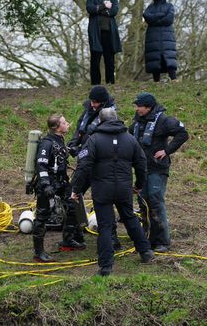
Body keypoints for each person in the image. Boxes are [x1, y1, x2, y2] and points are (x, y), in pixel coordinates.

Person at [71, 108, 155, 276]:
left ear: (100, 121)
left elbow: (83, 166)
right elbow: (141, 163)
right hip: (124, 188)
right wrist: (139, 184)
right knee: (130, 218)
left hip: (102, 189)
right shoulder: (130, 139)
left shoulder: (94, 139)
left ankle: (106, 266)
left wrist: (76, 189)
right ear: (116, 118)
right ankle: (146, 252)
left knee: (105, 226)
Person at [129, 92, 189, 252]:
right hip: (142, 169)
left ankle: (162, 241)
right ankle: (147, 238)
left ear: (148, 107)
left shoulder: (163, 120)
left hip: (157, 168)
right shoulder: (136, 122)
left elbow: (183, 134)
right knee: (143, 202)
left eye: (139, 106)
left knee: (155, 201)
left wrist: (167, 150)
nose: (136, 109)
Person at [67, 85, 122, 250]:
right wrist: (73, 144)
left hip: (101, 164)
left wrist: (84, 148)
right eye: (91, 101)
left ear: (103, 102)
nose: (93, 105)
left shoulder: (110, 115)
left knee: (104, 201)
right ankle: (75, 233)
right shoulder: (88, 111)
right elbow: (79, 130)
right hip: (85, 161)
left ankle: (113, 237)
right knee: (73, 195)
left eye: (96, 102)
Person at [32, 114, 86, 262]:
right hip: (48, 185)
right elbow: (41, 165)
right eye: (64, 122)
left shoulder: (60, 140)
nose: (68, 124)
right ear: (57, 127)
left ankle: (68, 241)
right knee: (42, 216)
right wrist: (45, 185)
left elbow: (63, 154)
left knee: (73, 205)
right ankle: (39, 252)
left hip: (62, 182)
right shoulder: (47, 143)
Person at [86, 0, 122, 85]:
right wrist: (104, 6)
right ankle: (95, 84)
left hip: (109, 32)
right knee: (95, 59)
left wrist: (100, 9)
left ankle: (110, 83)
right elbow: (90, 9)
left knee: (109, 59)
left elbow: (114, 11)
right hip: (95, 32)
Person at [143, 0, 178, 82]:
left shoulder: (169, 6)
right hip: (153, 37)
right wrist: (161, 15)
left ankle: (174, 79)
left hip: (167, 37)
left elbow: (169, 19)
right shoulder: (150, 7)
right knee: (155, 59)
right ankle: (156, 82)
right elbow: (146, 16)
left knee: (168, 57)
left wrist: (155, 19)